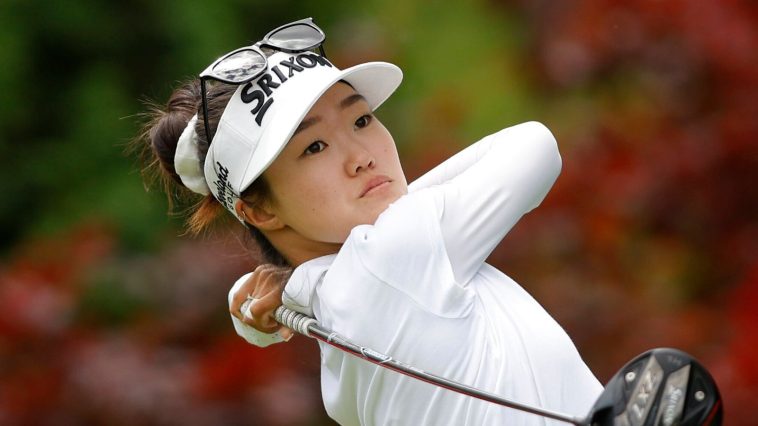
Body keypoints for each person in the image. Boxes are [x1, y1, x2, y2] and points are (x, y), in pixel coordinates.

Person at [136, 18, 602, 425]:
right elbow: (535, 145)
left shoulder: (337, 296)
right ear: (259, 211)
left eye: (361, 120)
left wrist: (297, 281)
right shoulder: (392, 256)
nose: (362, 156)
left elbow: (260, 298)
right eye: (313, 147)